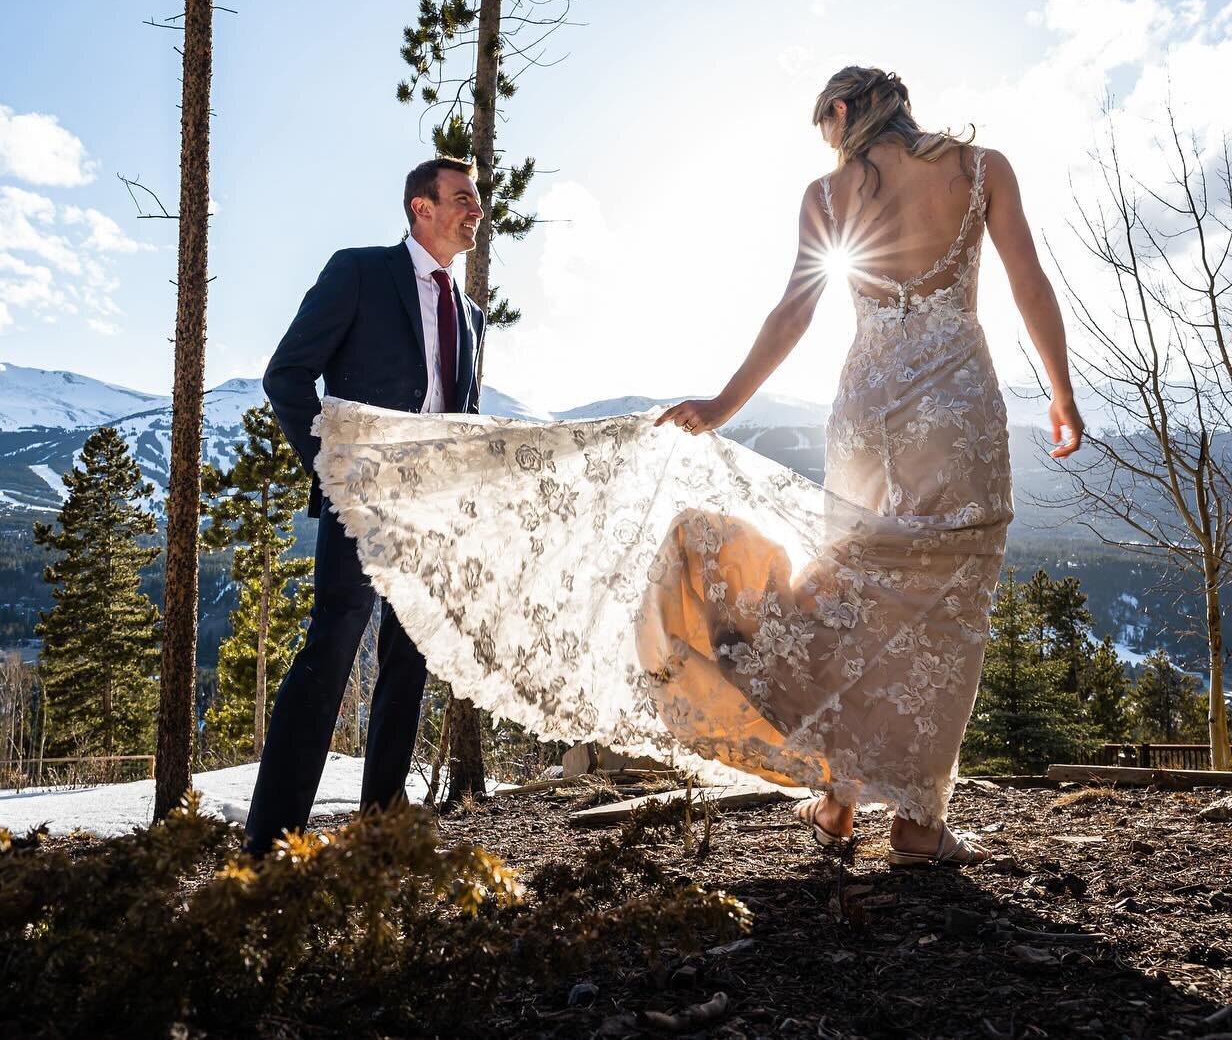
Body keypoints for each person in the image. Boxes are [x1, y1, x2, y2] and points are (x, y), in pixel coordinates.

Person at [310, 66, 1084, 867]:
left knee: (855, 594)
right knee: (946, 606)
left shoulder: (827, 197)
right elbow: (1028, 280)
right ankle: (918, 824)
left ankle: (840, 800)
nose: (826, 144)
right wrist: (1059, 392)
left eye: (824, 127)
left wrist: (723, 404)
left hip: (865, 416)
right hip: (954, 408)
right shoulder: (980, 168)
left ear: (843, 112)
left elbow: (795, 310)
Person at [241, 155, 485, 854]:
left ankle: (382, 829)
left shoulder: (469, 313)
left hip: (428, 514)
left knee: (407, 667)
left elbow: (459, 417)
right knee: (330, 655)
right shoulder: (358, 273)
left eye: (477, 199)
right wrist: (333, 468)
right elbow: (285, 375)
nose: (476, 210)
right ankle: (270, 841)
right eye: (462, 198)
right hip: (359, 502)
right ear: (422, 209)